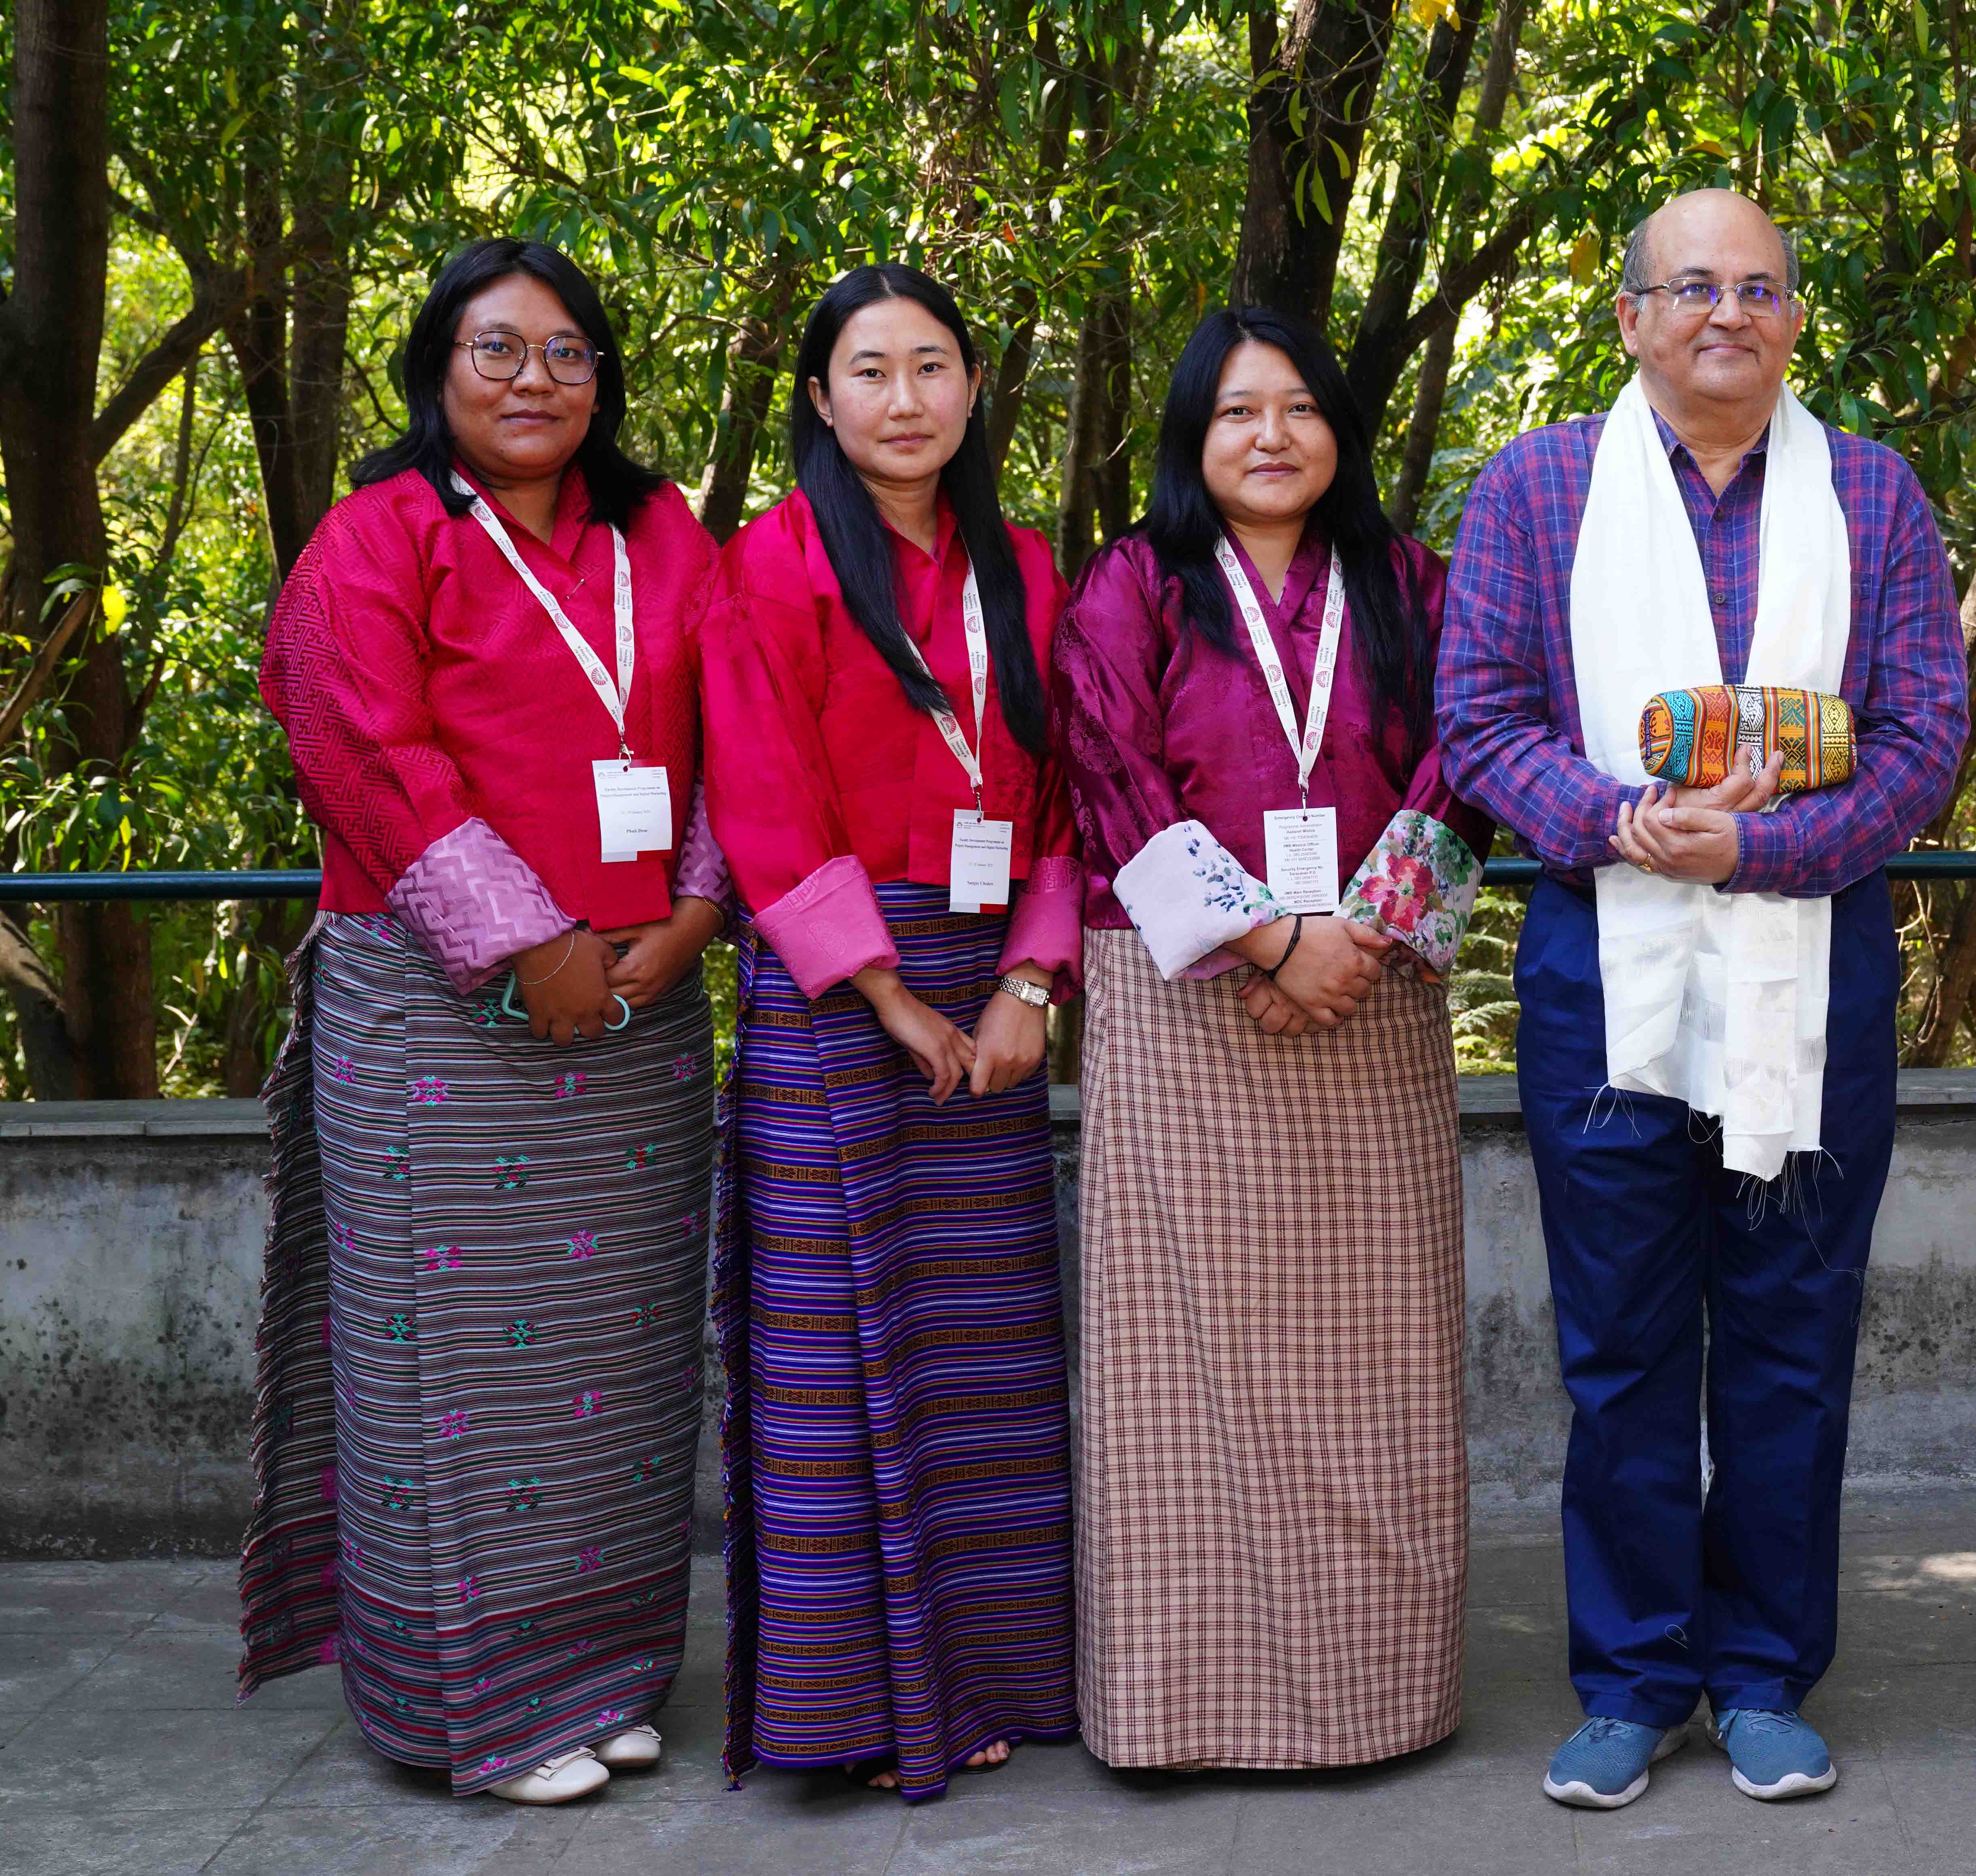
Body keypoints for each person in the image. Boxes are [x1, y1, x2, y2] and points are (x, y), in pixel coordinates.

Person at [1437, 188, 1966, 1809]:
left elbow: (1921, 741)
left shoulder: (1870, 494)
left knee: (1792, 1338)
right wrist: (1608, 819)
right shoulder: (1535, 490)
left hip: (1816, 972)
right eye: (1690, 287)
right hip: (1606, 971)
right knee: (1619, 1345)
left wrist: (1755, 844)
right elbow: (1478, 718)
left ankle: (1757, 1671)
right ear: (1630, 316)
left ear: (1795, 318)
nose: (1724, 312)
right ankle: (1629, 1674)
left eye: (1757, 286)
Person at [239, 237, 728, 1805]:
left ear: (606, 376)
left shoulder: (663, 532)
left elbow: (743, 721)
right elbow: (361, 747)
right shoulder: (373, 539)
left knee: (626, 1358)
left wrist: (700, 905)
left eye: (568, 351)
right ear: (436, 366)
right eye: (498, 349)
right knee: (450, 1368)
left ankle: (606, 1671)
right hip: (439, 1008)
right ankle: (480, 1703)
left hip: (646, 997)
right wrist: (526, 942)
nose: (535, 379)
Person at [1049, 305, 1489, 1770]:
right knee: (1180, 1374)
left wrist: (1352, 937)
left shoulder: (1408, 578)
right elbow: (1106, 768)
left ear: (1338, 433)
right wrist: (1267, 938)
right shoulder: (1130, 582)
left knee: (1376, 1370)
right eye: (1237, 412)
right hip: (1187, 1010)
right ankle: (1180, 1708)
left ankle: (1380, 1700)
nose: (1270, 437)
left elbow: (1461, 751)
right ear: (1193, 436)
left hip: (1372, 993)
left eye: (1299, 409)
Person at [704, 264, 1084, 1801]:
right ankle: (853, 1710)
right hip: (834, 993)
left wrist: (1031, 985)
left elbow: (1068, 798)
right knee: (837, 1355)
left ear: (974, 389)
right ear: (819, 397)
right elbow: (762, 790)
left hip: (993, 990)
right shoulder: (774, 563)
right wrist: (884, 992)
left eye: (934, 367)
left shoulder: (1027, 566)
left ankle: (996, 1672)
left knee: (986, 1346)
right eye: (871, 372)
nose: (906, 400)